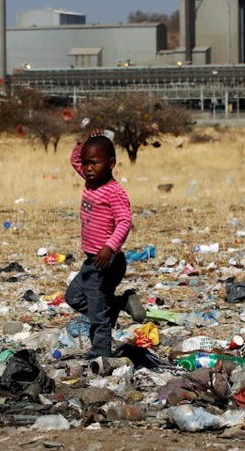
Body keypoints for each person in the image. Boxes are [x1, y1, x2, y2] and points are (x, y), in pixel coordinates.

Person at [65, 130, 145, 359]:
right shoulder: (91, 181)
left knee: (98, 312)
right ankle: (120, 303)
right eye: (86, 163)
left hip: (106, 262)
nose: (88, 168)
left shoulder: (114, 192)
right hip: (92, 261)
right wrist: (82, 142)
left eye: (95, 163)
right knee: (73, 297)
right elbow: (74, 160)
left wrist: (110, 246)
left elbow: (124, 221)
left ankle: (101, 354)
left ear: (111, 163)